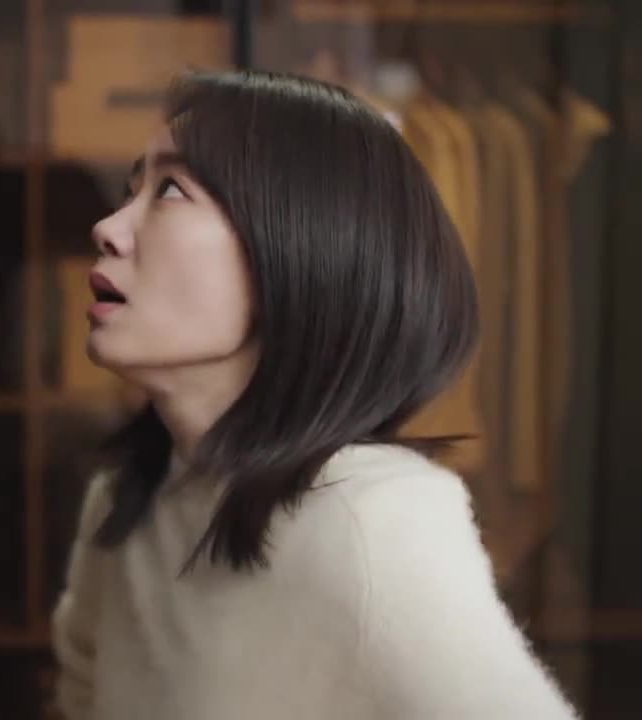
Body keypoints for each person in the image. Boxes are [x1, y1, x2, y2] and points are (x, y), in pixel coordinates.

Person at [51, 69, 577, 720]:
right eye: (132, 190)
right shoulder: (126, 499)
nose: (109, 227)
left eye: (171, 190)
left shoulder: (373, 517)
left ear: (300, 250)